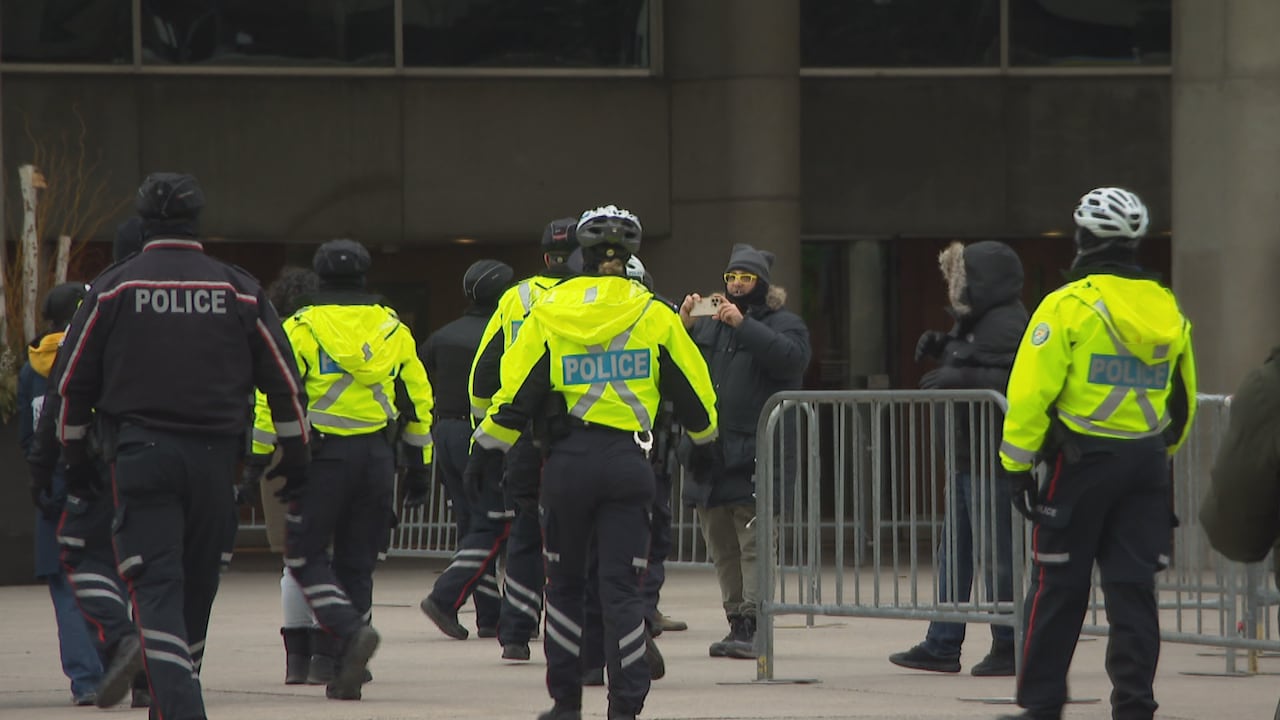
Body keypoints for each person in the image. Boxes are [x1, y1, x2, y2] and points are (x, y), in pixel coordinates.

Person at [52, 172, 311, 720]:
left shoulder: (114, 288)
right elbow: (285, 383)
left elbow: (73, 384)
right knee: (195, 589)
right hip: (217, 459)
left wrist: (73, 459)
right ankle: (172, 698)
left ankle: (176, 705)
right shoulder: (238, 288)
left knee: (158, 589)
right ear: (198, 223)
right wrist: (297, 454)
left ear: (143, 223)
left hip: (141, 455)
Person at [471, 205, 719, 720]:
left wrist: (486, 447)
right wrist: (707, 445)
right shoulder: (654, 313)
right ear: (630, 256)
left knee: (562, 587)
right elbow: (695, 396)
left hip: (565, 466)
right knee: (622, 590)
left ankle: (565, 704)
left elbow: (515, 394)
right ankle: (625, 708)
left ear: (582, 256)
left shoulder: (550, 310)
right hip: (630, 464)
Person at [996, 187, 1197, 720]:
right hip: (1146, 466)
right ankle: (1134, 707)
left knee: (1056, 588)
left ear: (1083, 238)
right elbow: (1184, 398)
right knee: (1133, 592)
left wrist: (1015, 466)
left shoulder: (1068, 304)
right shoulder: (1167, 306)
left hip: (1079, 465)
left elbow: (1030, 392)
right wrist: (1156, 451)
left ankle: (1040, 706)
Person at [248, 238, 434, 701]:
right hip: (376, 459)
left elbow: (275, 397)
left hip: (322, 459)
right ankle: (340, 668)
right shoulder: (392, 328)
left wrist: (255, 458)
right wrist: (420, 465)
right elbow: (417, 400)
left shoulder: (300, 328)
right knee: (357, 564)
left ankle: (349, 634)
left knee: (304, 554)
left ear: (321, 275)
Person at [420, 216, 578, 657]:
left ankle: (513, 633)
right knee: (578, 537)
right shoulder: (600, 298)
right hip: (580, 434)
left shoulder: (518, 297)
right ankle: (585, 636)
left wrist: (490, 434)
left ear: (545, 257)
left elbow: (484, 372)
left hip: (521, 433)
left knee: (522, 530)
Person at [27, 219, 152, 711]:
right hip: (145, 466)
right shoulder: (122, 336)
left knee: (75, 571)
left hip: (82, 474)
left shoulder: (39, 363)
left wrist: (44, 472)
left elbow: (46, 420)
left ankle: (97, 668)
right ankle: (148, 667)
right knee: (146, 575)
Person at [889, 240, 1026, 677]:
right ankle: (943, 642)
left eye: (962, 276)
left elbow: (1013, 374)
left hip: (992, 458)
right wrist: (944, 344)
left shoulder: (1007, 321)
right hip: (970, 456)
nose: (956, 285)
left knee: (995, 555)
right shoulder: (981, 320)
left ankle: (1008, 643)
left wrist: (959, 372)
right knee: (956, 553)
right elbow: (976, 355)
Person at [677, 242, 812, 660]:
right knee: (720, 544)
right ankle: (736, 619)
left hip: (755, 451)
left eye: (745, 278)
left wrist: (743, 325)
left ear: (761, 284)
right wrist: (681, 326)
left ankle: (755, 621)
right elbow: (678, 366)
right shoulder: (709, 323)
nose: (736, 285)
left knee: (754, 541)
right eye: (731, 277)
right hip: (710, 453)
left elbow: (791, 361)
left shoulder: (785, 324)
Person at [416, 258, 514, 647]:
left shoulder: (442, 336)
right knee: (495, 523)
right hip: (482, 434)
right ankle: (444, 597)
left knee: (472, 522)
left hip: (445, 429)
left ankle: (490, 614)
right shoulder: (501, 333)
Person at [234, 265, 323, 685]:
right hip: (332, 451)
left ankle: (296, 660)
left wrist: (255, 462)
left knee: (293, 560)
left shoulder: (277, 333)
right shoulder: (338, 329)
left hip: (279, 451)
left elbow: (267, 403)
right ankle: (328, 650)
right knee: (334, 559)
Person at [18, 281, 102, 706]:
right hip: (95, 486)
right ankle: (114, 663)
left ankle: (86, 681)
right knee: (111, 582)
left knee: (67, 592)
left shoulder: (31, 368)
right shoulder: (96, 357)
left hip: (50, 493)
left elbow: (26, 437)